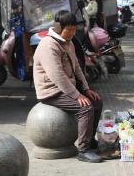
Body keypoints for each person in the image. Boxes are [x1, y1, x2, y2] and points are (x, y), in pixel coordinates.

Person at [33, 10, 103, 163]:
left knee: (96, 102)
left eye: (73, 29)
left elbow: (77, 68)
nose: (72, 33)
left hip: (65, 88)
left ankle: (90, 140)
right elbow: (57, 76)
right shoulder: (48, 45)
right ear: (58, 28)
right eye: (68, 30)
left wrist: (85, 89)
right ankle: (83, 150)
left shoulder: (68, 43)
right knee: (85, 108)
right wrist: (77, 95)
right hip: (51, 91)